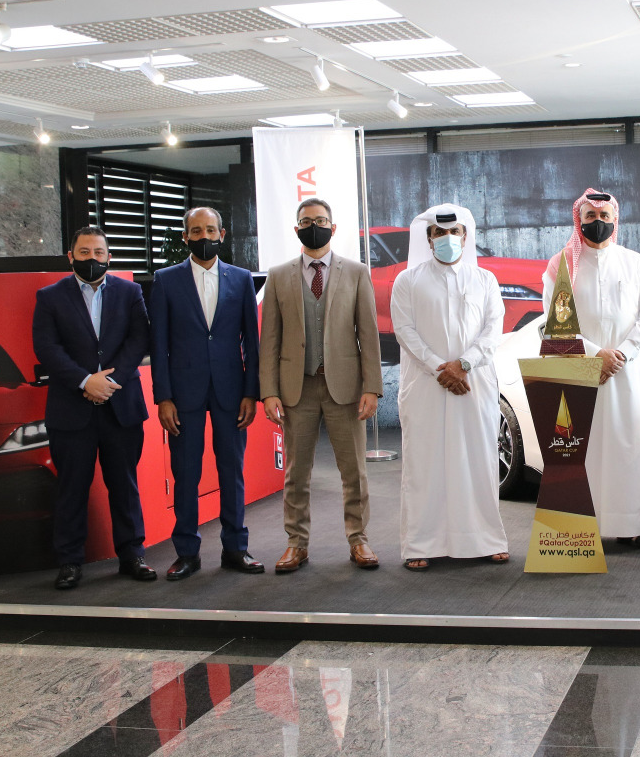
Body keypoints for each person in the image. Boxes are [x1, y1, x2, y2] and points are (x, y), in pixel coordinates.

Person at [259, 197, 383, 573]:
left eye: (321, 219)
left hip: (345, 386)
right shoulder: (279, 275)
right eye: (307, 220)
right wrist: (269, 391)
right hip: (297, 388)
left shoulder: (357, 272)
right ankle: (296, 543)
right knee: (296, 472)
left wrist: (372, 387)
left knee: (354, 471)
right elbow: (271, 340)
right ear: (296, 228)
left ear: (334, 226)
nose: (314, 224)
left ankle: (358, 540)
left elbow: (369, 334)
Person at [32, 226, 155, 589]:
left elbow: (139, 339)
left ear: (109, 257)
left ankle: (132, 555)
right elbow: (47, 348)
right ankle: (70, 561)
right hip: (72, 408)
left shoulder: (131, 292)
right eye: (84, 253)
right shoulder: (50, 297)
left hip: (121, 406)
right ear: (71, 257)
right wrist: (87, 381)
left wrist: (110, 381)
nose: (92, 259)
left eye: (98, 253)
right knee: (72, 488)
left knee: (125, 484)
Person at [390, 203, 509, 570]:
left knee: (477, 460)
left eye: (453, 232)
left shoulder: (485, 280)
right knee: (425, 462)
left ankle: (486, 539)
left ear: (464, 236)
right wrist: (439, 368)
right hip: (426, 386)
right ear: (428, 239)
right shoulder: (407, 281)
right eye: (439, 233)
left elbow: (493, 329)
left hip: (474, 383)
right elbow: (404, 330)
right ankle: (421, 545)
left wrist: (463, 364)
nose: (447, 238)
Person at [149, 207, 263, 580]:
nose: (204, 237)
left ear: (223, 234)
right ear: (185, 237)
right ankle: (187, 553)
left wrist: (252, 392)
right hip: (183, 394)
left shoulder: (242, 279)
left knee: (232, 471)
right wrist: (163, 397)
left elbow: (252, 341)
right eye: (196, 231)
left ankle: (236, 548)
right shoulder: (165, 280)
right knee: (186, 472)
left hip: (232, 391)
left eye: (210, 230)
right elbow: (159, 343)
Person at [542, 189, 640, 550]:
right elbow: (556, 324)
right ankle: (581, 532)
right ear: (579, 220)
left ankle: (633, 527)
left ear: (615, 220)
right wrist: (595, 356)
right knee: (583, 451)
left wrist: (619, 354)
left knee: (629, 446)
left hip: (626, 372)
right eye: (591, 217)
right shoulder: (562, 264)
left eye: (605, 216)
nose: (599, 223)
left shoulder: (634, 262)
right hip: (579, 370)